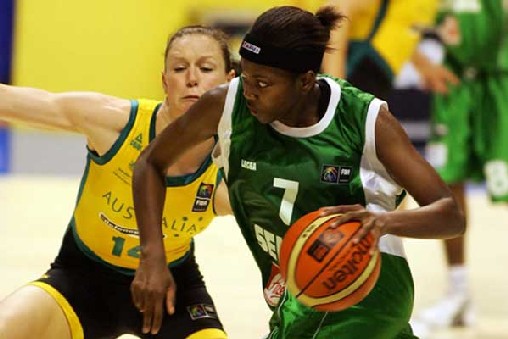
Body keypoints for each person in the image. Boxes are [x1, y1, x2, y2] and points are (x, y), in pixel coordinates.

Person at [132, 6, 465, 338]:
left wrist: (382, 222)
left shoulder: (364, 120)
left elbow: (450, 215)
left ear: (306, 81)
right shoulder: (227, 105)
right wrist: (152, 254)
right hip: (296, 299)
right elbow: (150, 163)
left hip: (365, 296)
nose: (249, 90)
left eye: (263, 82)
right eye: (245, 76)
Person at [0, 25, 235, 338]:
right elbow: (13, 100)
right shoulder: (117, 124)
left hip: (172, 292)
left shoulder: (231, 164)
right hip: (80, 280)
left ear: (229, 82)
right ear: (165, 82)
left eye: (206, 68)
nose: (192, 78)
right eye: (179, 68)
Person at [410, 0, 508, 333]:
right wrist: (421, 62)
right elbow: (399, 26)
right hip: (455, 91)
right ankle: (458, 292)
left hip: (501, 86)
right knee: (447, 186)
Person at [321, 0, 439, 99]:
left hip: (375, 77)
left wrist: (422, 63)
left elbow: (399, 22)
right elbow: (336, 10)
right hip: (358, 71)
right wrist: (336, 94)